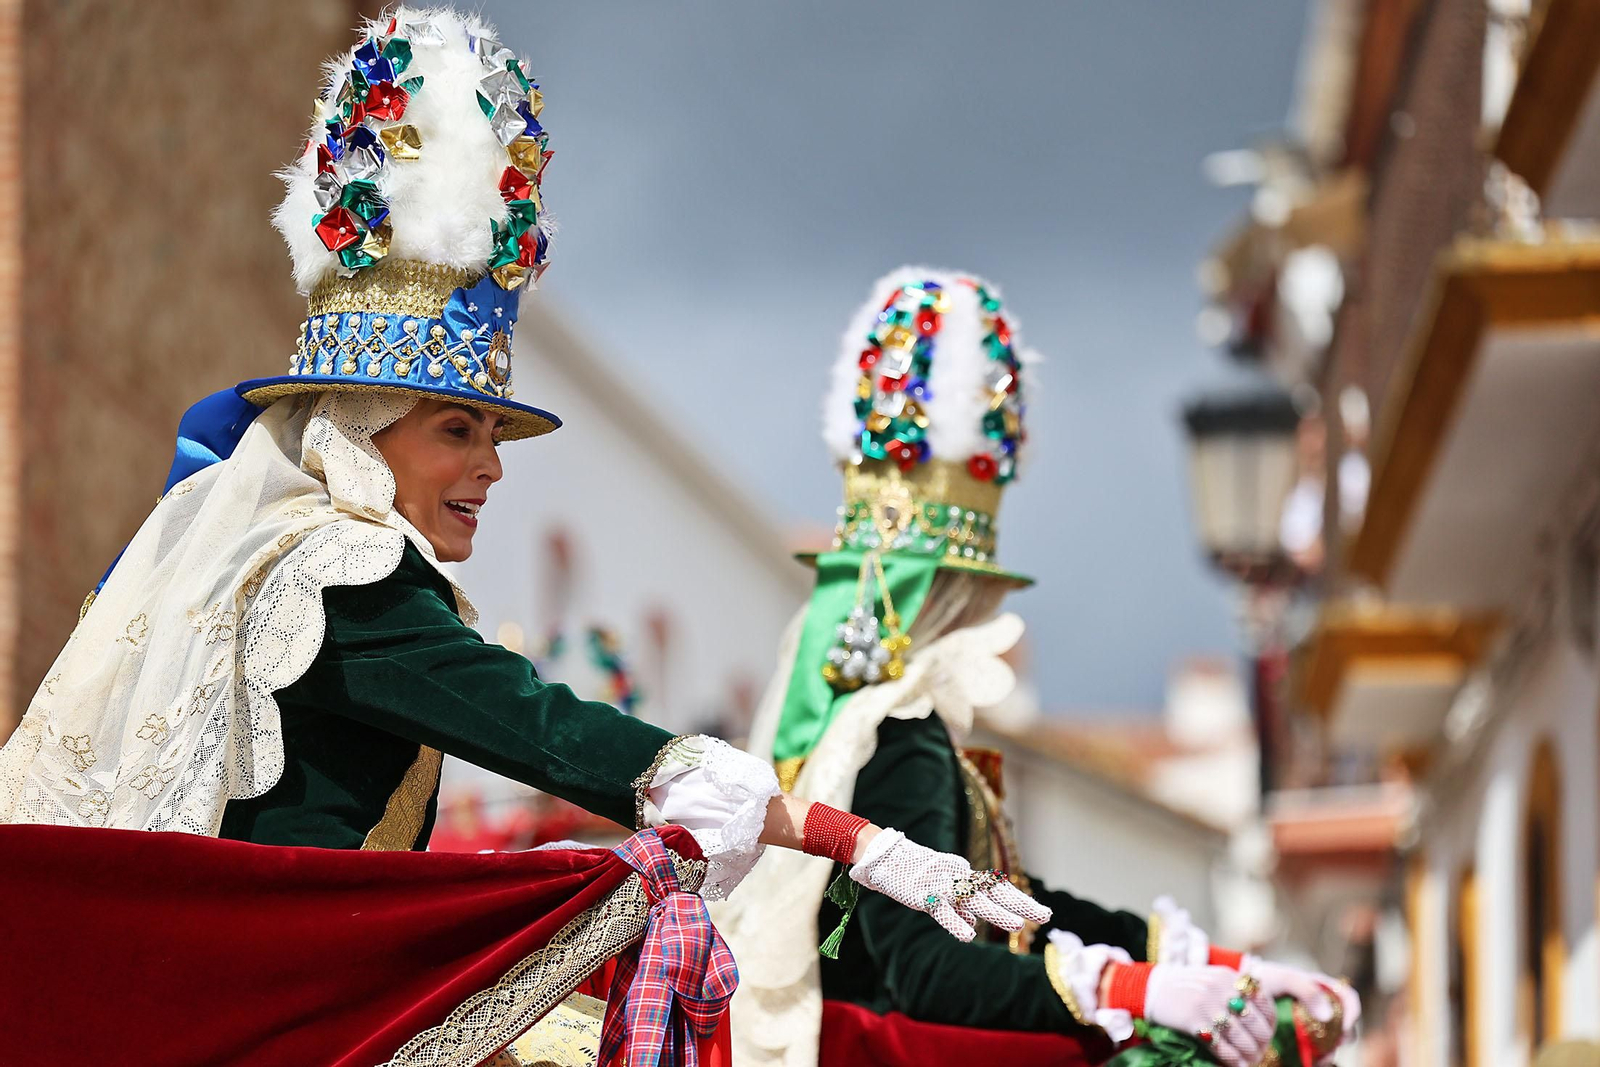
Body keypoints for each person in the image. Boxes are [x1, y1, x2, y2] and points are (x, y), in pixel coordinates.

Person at [0, 14, 1040, 1065]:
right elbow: (545, 728)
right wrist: (860, 841)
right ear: (363, 424)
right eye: (459, 429)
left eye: (494, 431)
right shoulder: (334, 575)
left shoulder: (281, 557)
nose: (491, 466)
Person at [712, 268, 1361, 1067]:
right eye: (971, 593)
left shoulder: (857, 726)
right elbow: (925, 968)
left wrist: (1203, 963)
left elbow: (1007, 901)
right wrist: (1126, 992)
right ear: (946, 596)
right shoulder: (902, 735)